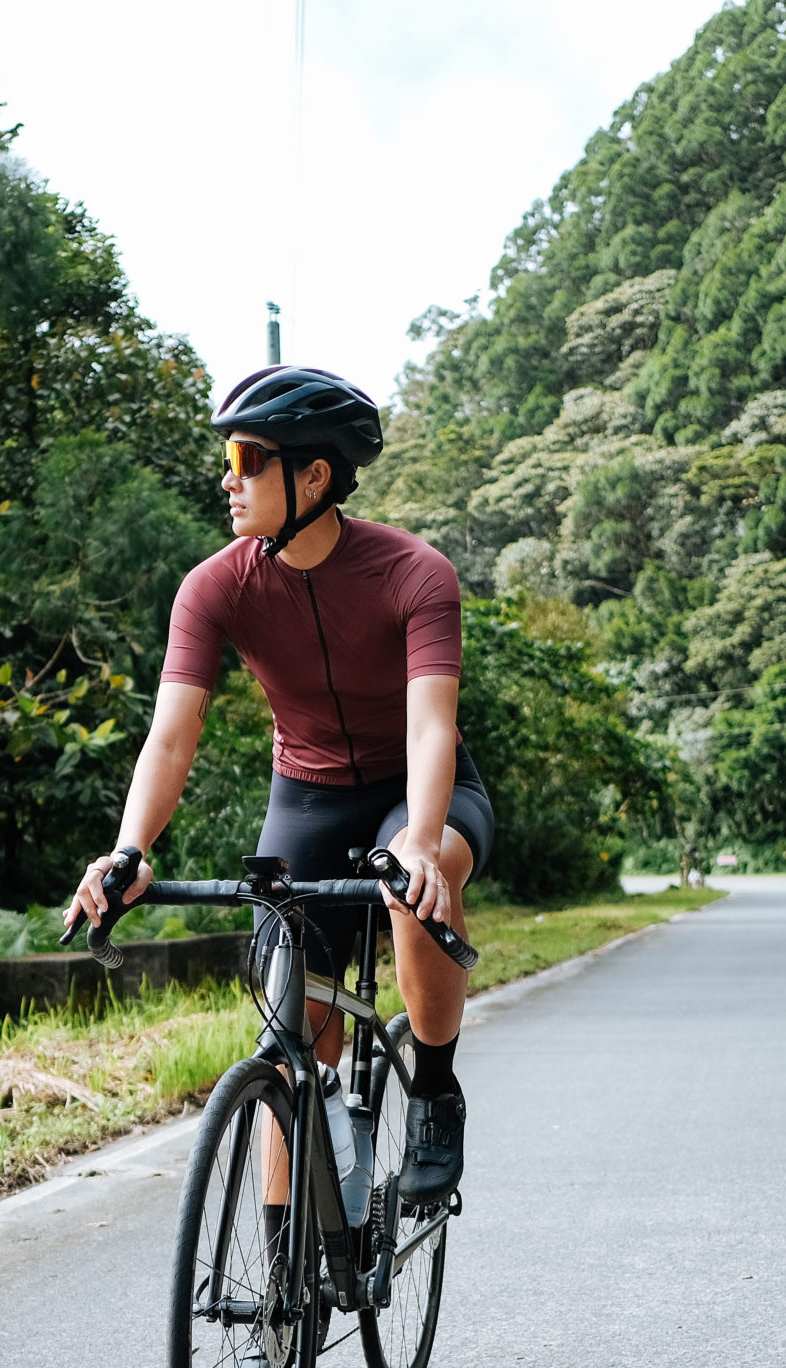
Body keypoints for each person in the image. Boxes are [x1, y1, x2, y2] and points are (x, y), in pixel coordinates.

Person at [65, 365, 492, 1208]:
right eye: (229, 454)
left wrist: (416, 838)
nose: (228, 476)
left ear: (315, 475)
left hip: (417, 790)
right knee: (294, 1044)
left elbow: (431, 725)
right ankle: (272, 1300)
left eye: (247, 456)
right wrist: (130, 848)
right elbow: (172, 734)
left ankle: (436, 1091)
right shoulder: (216, 585)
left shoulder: (415, 572)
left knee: (415, 882)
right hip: (305, 798)